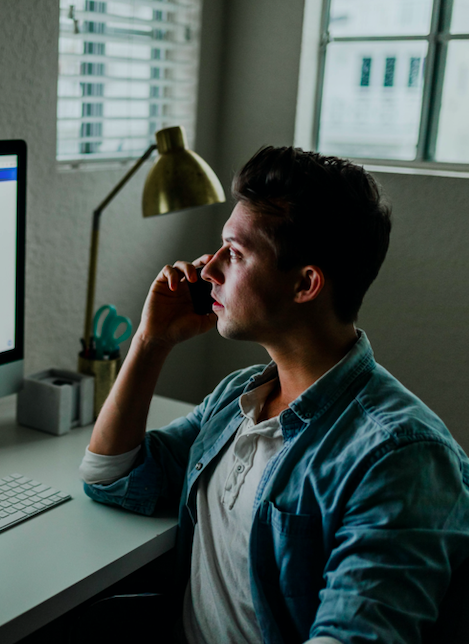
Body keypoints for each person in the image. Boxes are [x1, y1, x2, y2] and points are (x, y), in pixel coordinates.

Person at [79, 146, 469, 643]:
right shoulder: (241, 398)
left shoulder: (401, 458)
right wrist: (150, 342)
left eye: (235, 254)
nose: (208, 269)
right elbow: (112, 476)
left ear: (305, 284)